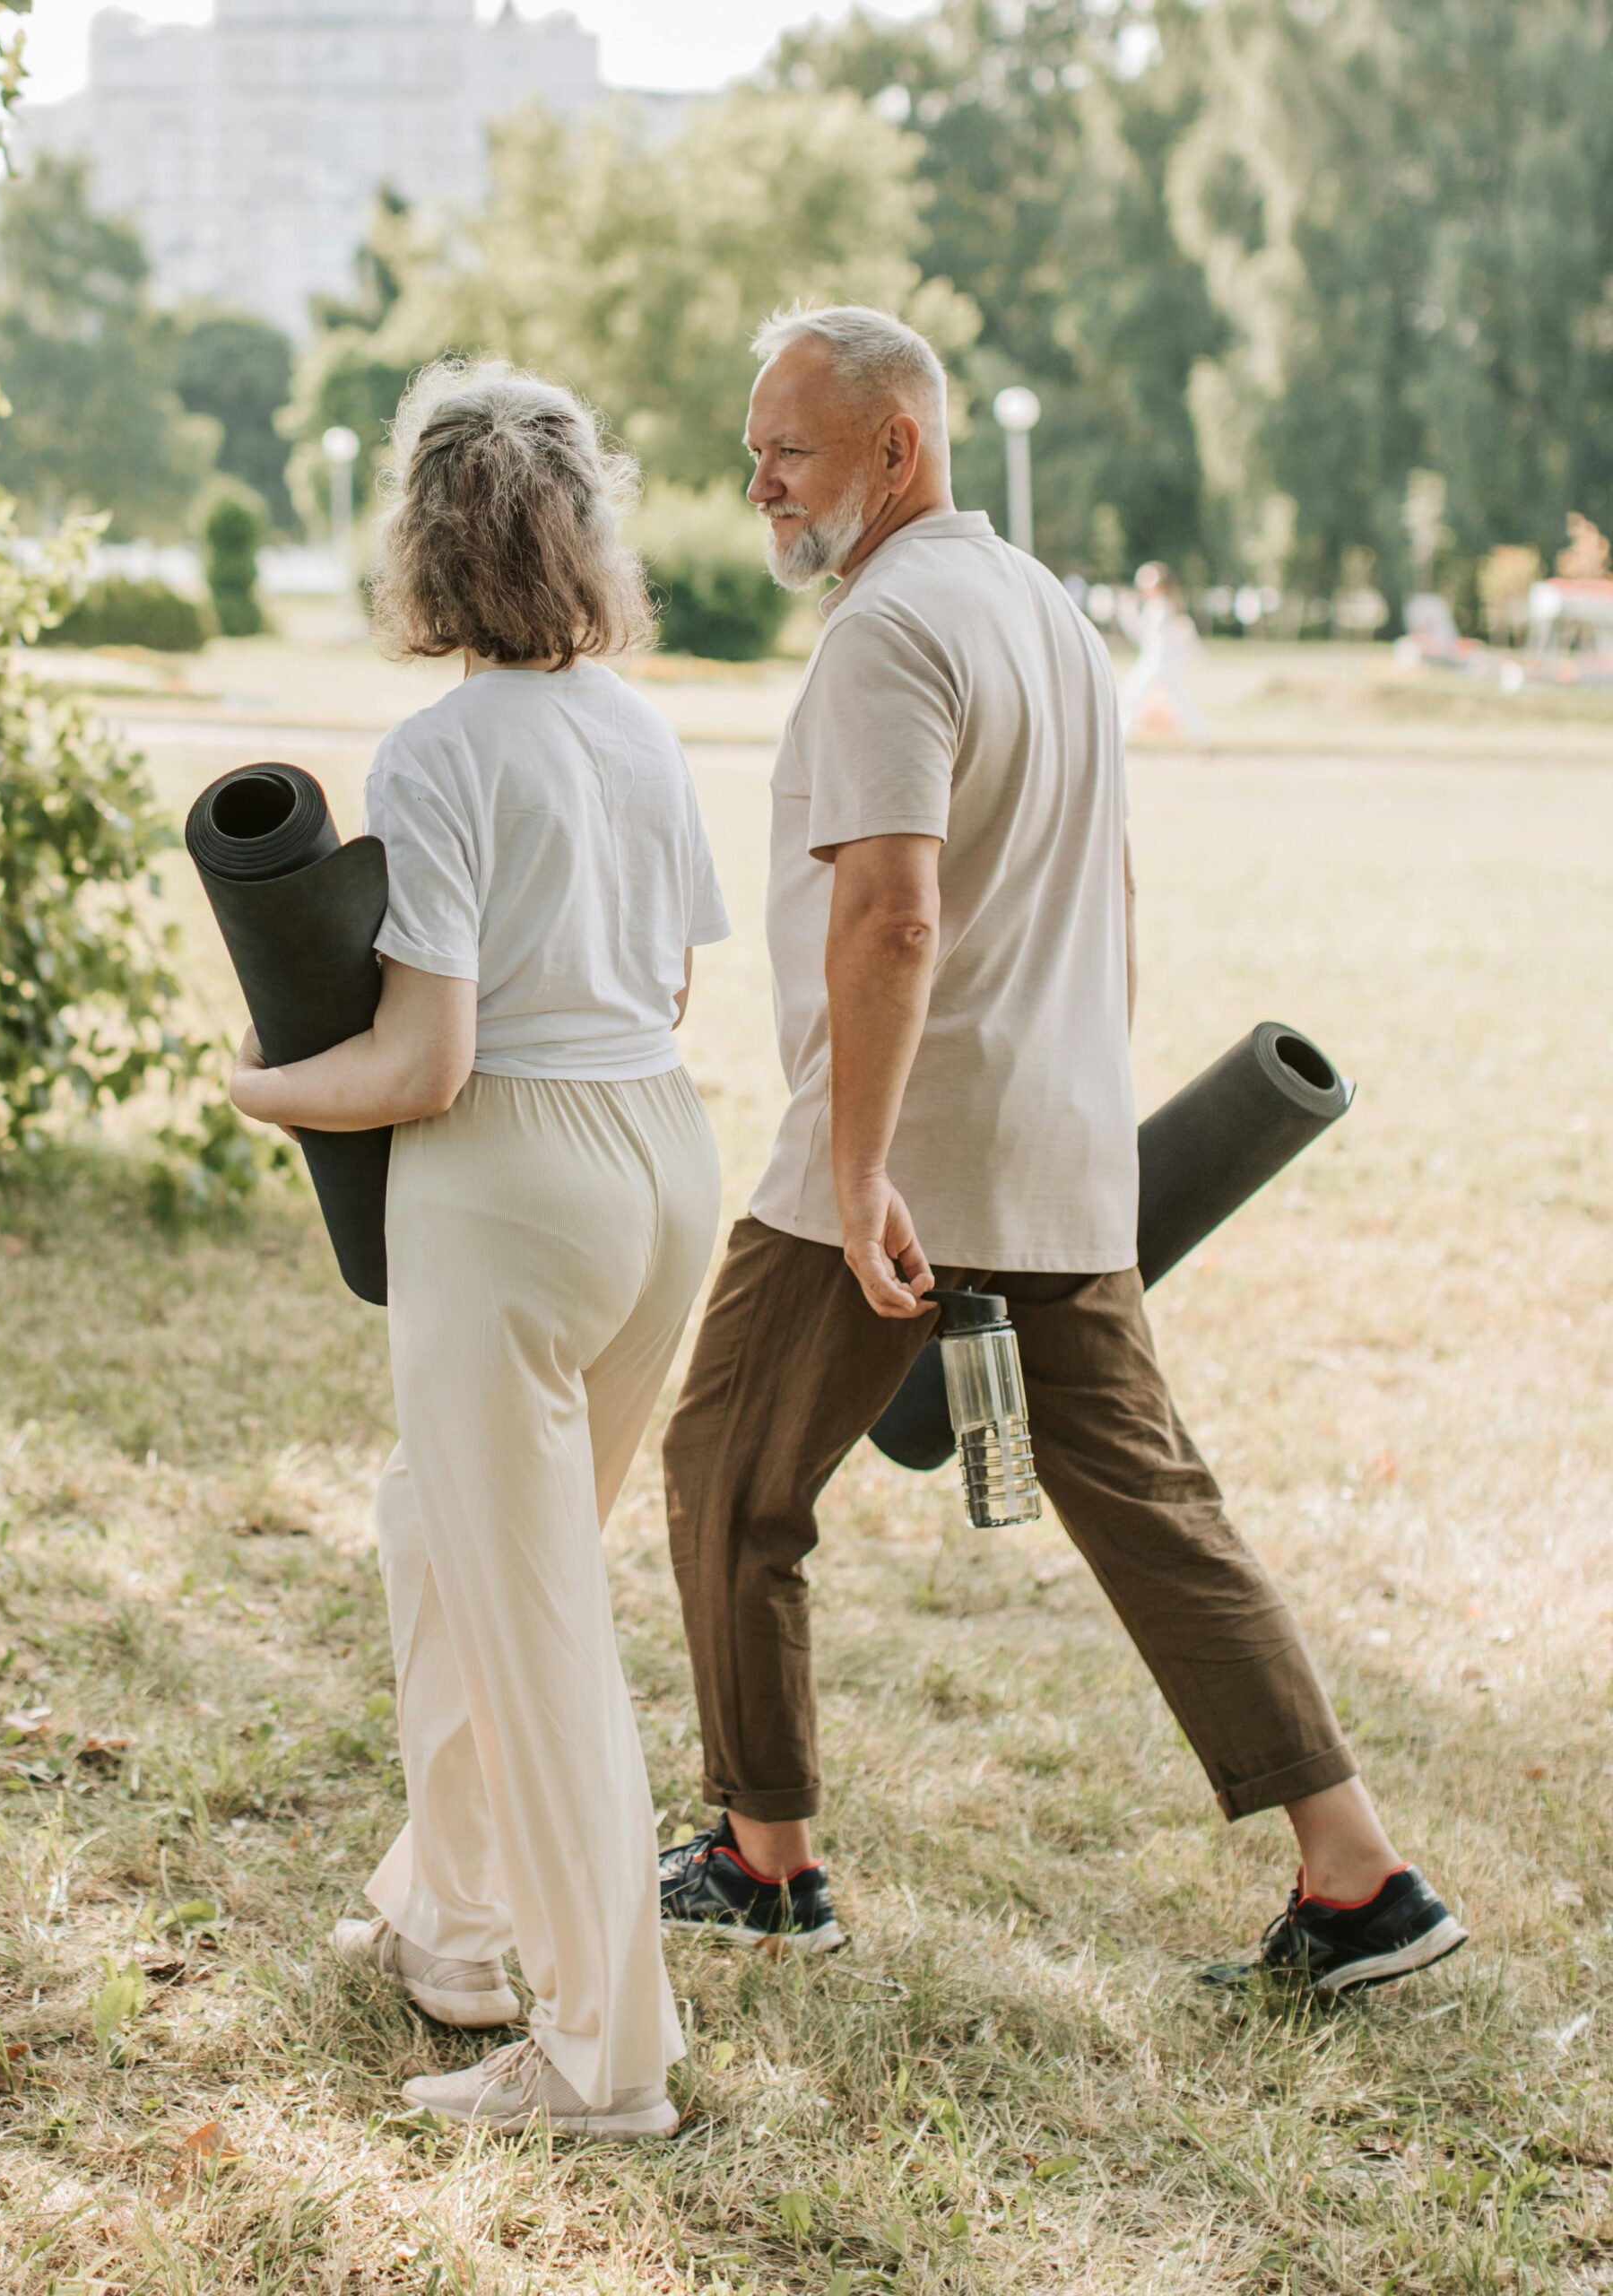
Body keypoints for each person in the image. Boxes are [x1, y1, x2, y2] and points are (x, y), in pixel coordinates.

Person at [655, 305, 1467, 1996]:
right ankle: (1359, 1878)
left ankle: (764, 1860)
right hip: (1054, 1149)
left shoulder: (886, 633)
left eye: (789, 452)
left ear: (898, 450)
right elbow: (1103, 892)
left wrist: (859, 1165)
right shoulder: (1041, 607)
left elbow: (889, 919)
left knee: (728, 1472)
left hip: (897, 1161)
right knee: (1160, 1511)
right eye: (754, 453)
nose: (760, 487)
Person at [229, 360, 729, 2135]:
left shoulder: (435, 747)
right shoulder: (639, 725)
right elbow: (664, 981)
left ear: (421, 542)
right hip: (664, 1161)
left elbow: (424, 1057)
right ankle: (445, 1919)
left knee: (530, 1621)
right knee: (439, 1537)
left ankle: (602, 2061)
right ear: (581, 528)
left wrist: (260, 1086)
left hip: (508, 1177)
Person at [1118, 560, 1211, 748]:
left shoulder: (1159, 606)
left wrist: (1126, 612)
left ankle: (1121, 737)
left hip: (1158, 663)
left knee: (1133, 695)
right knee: (1178, 700)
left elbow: (1145, 634)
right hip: (1161, 662)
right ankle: (1201, 738)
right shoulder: (1163, 605)